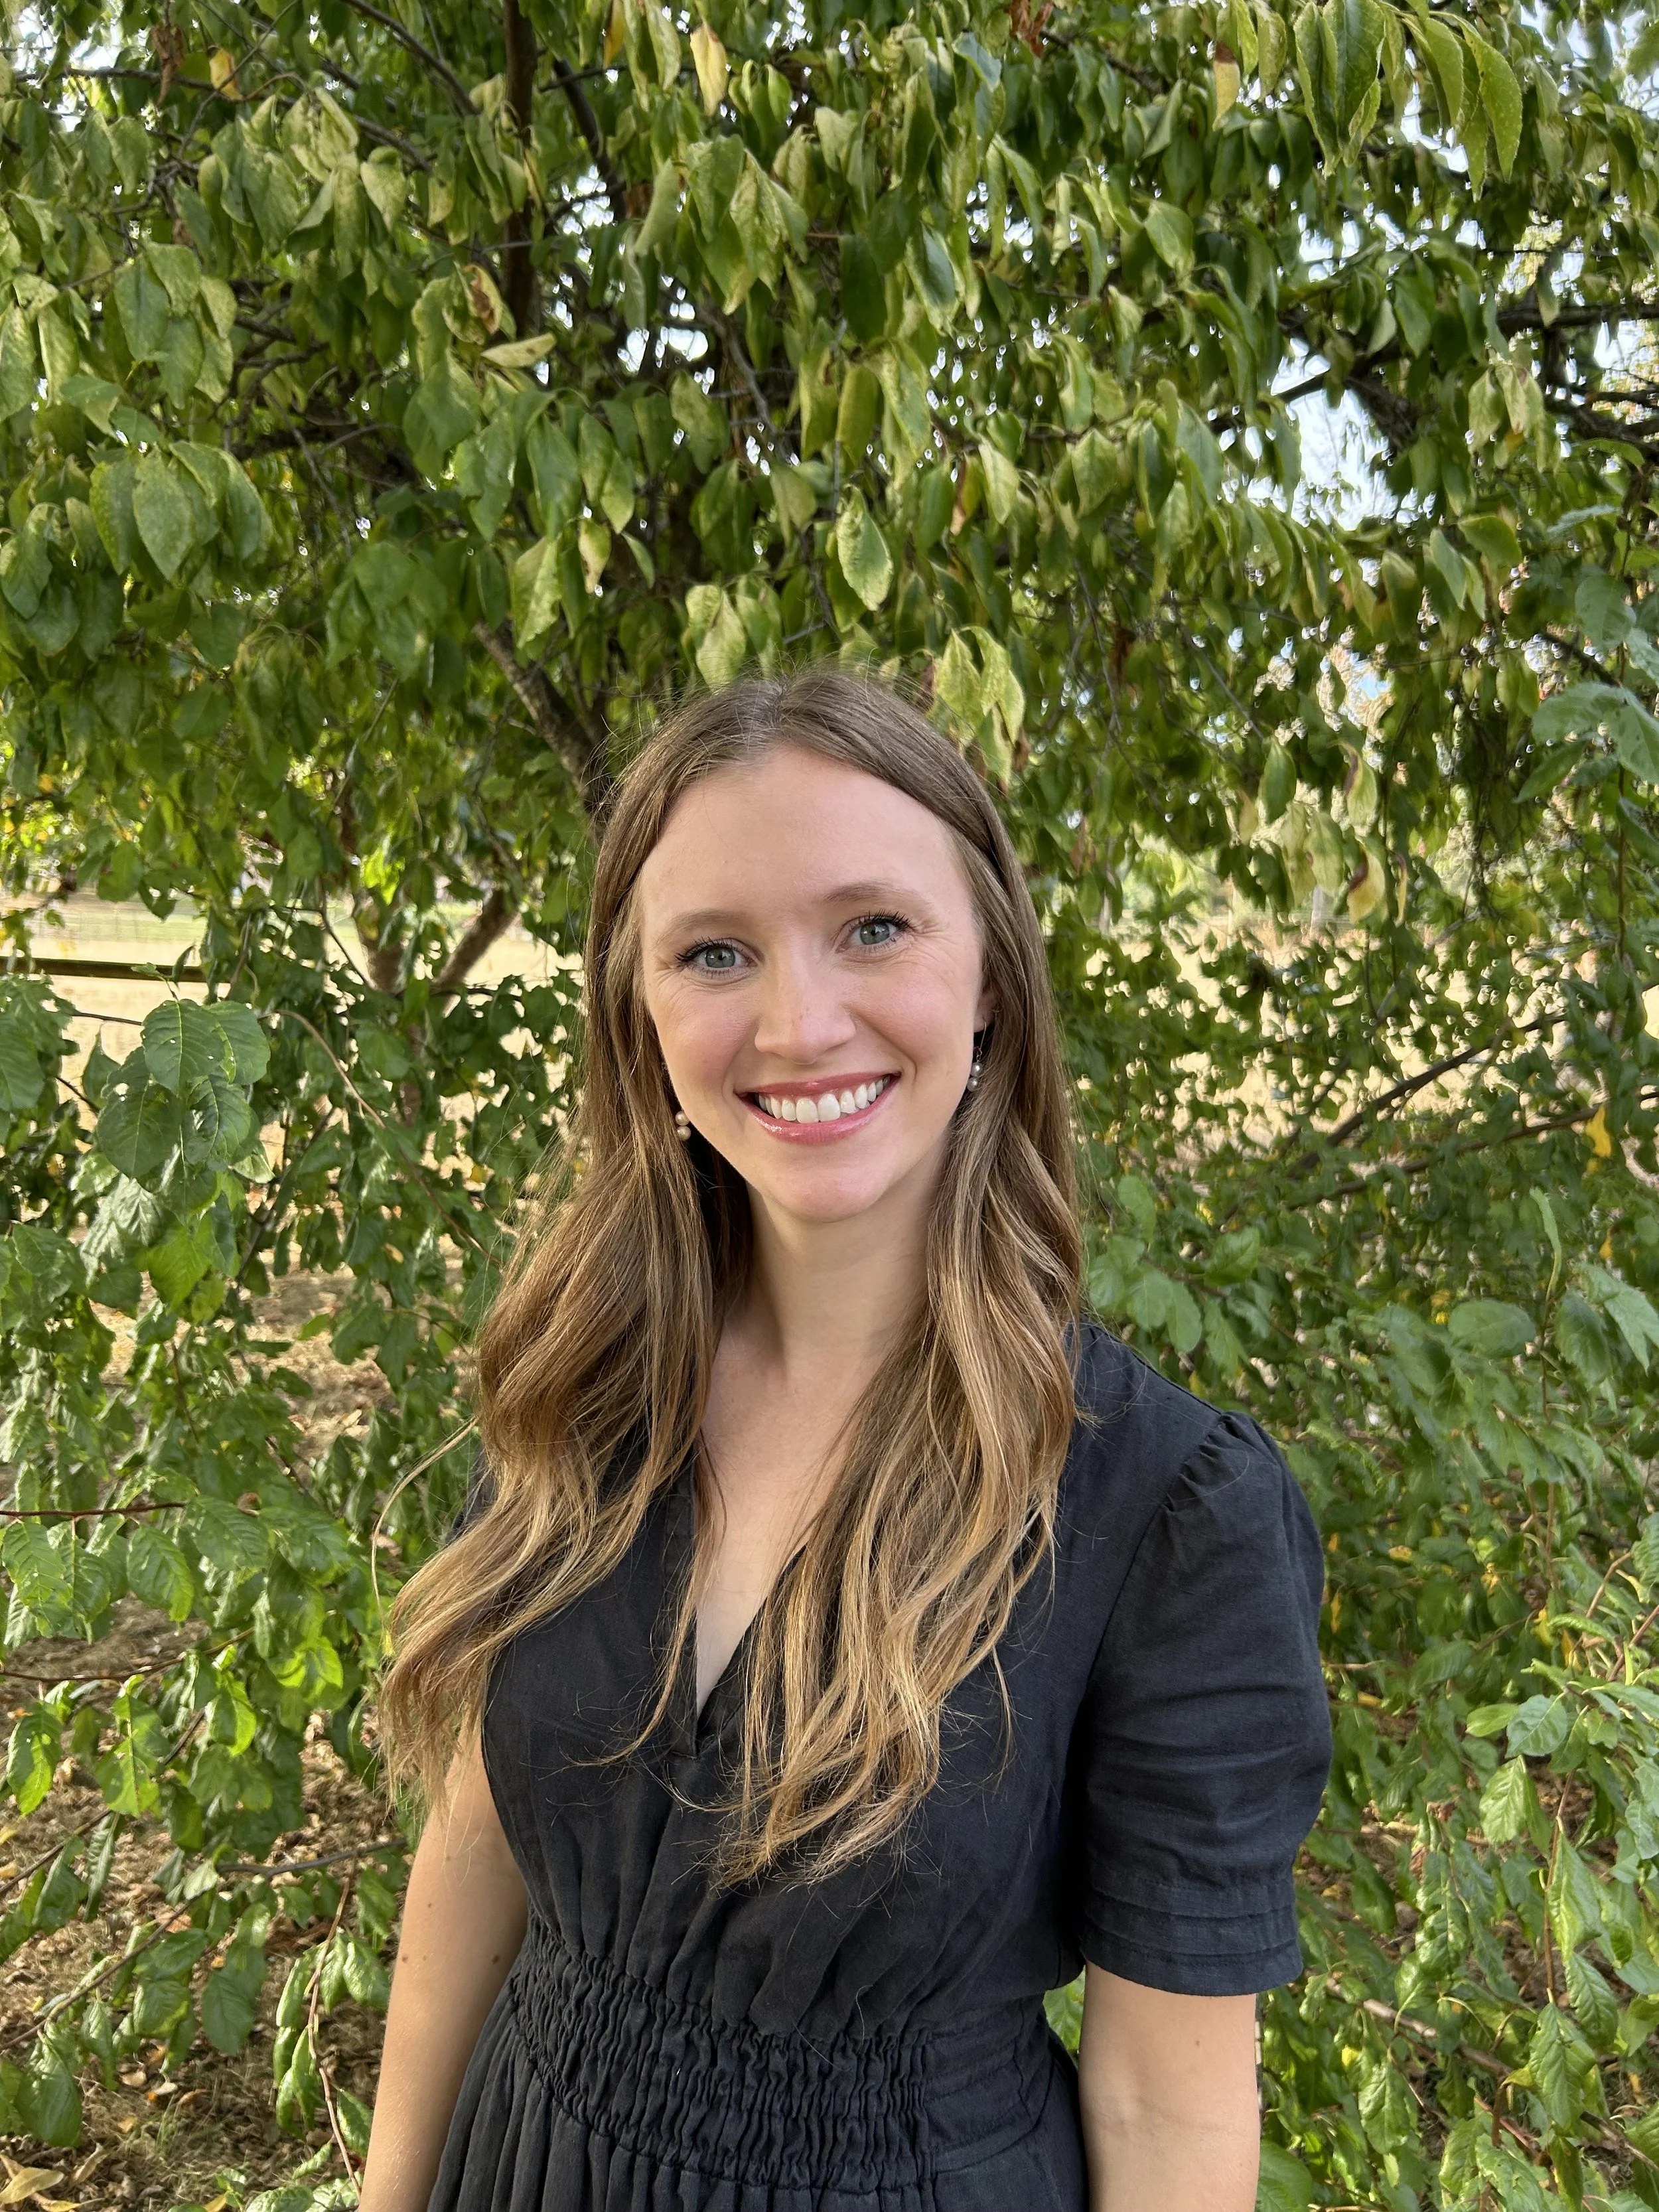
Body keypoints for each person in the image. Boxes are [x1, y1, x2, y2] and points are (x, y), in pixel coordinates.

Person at [360, 668, 1331, 2212]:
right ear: (638, 1010)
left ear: (992, 976)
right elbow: (479, 1850)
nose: (798, 1022)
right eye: (714, 951)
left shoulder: (1164, 1515)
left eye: (872, 926)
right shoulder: (580, 1392)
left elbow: (1165, 2107)